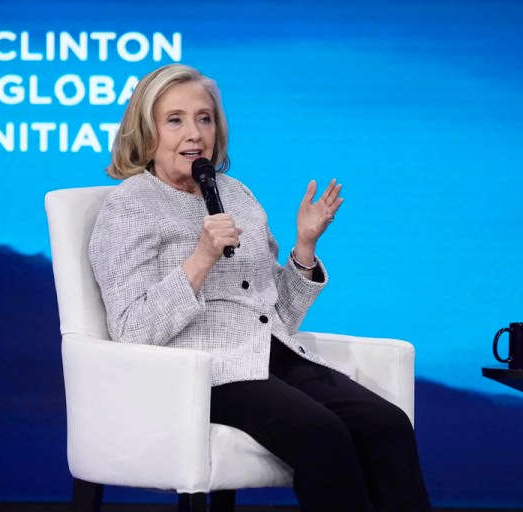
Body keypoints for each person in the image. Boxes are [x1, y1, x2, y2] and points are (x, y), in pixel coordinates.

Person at [88, 63, 431, 512]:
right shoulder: (129, 208)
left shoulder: (237, 195)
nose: (194, 134)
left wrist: (304, 247)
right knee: (320, 434)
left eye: (204, 118)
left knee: (387, 424)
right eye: (175, 120)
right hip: (201, 372)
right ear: (146, 131)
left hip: (274, 355)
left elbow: (276, 314)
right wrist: (201, 258)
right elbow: (132, 330)